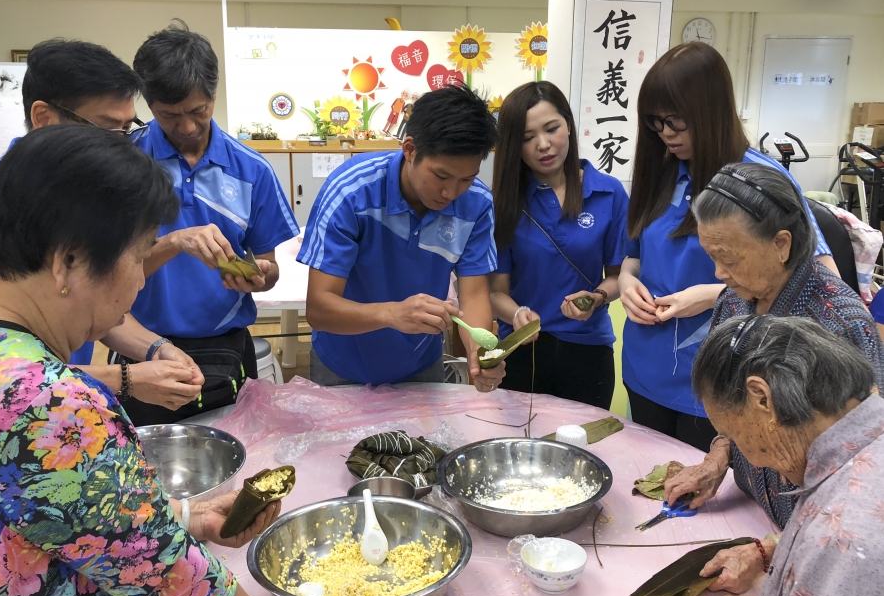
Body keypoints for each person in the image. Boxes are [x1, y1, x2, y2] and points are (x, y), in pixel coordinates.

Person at [0, 126, 323, 596]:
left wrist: (182, 515)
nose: (141, 285)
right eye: (139, 258)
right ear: (69, 262)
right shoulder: (52, 407)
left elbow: (46, 515)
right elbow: (178, 584)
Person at [660, 161, 884, 594]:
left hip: (817, 542)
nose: (719, 274)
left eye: (728, 258)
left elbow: (861, 475)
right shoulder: (735, 302)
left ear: (781, 244)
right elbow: (734, 408)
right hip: (752, 508)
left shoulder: (840, 323)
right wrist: (717, 461)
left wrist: (770, 549)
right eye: (712, 257)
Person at [618, 42, 836, 452]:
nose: (665, 133)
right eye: (655, 122)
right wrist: (628, 283)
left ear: (710, 111)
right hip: (647, 367)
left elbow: (822, 283)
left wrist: (714, 296)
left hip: (726, 379)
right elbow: (634, 256)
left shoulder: (759, 179)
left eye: (676, 120)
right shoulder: (662, 170)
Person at [0, 38, 204, 413]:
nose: (122, 145)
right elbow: (7, 371)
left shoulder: (81, 195)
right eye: (106, 129)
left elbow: (89, 299)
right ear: (44, 118)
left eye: (127, 129)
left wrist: (156, 348)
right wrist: (123, 380)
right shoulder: (0, 200)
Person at [682, 316, 884, 596]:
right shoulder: (856, 447)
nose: (747, 459)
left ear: (762, 399)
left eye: (733, 432)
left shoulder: (849, 539)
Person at [129, 21, 299, 424]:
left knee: (237, 464)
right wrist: (174, 242)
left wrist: (260, 274)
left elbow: (268, 266)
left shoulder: (252, 170)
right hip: (142, 345)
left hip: (226, 349)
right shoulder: (123, 164)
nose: (186, 127)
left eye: (198, 111)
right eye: (169, 115)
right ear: (148, 104)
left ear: (214, 95)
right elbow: (105, 271)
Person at [298, 84, 505, 392]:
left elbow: (473, 295)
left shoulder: (476, 204)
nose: (451, 193)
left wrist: (478, 352)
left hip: (421, 365)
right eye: (441, 176)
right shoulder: (352, 192)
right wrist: (392, 313)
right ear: (410, 150)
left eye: (467, 178)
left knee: (421, 442)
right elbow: (319, 308)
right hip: (341, 367)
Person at [489, 81, 627, 408]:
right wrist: (518, 312)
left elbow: (619, 275)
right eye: (527, 138)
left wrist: (596, 298)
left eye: (552, 129)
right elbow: (495, 292)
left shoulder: (609, 193)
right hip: (520, 349)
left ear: (569, 124)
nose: (543, 144)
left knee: (585, 450)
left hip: (588, 350)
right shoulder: (504, 203)